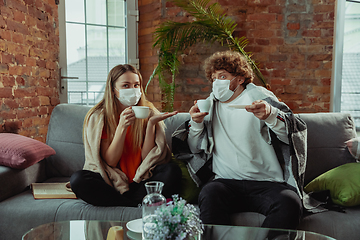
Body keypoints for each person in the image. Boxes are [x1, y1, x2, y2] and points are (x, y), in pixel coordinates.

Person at [172, 50, 314, 238]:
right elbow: (194, 148)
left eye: (222, 76)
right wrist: (196, 123)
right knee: (209, 193)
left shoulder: (259, 97)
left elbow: (291, 135)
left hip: (267, 183)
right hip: (225, 183)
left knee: (290, 202)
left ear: (239, 79)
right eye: (213, 78)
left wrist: (270, 114)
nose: (216, 82)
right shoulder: (211, 104)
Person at [70, 64, 182, 207]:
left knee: (172, 171)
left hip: (141, 180)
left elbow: (147, 160)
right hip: (111, 181)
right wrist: (122, 126)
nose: (133, 90)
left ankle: (124, 203)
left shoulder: (148, 111)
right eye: (126, 86)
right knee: (78, 180)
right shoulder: (99, 117)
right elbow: (110, 162)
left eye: (136, 85)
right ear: (113, 90)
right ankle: (135, 204)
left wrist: (151, 125)